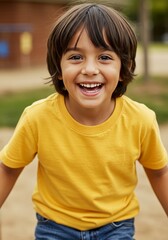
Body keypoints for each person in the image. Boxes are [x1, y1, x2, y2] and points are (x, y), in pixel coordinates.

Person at [0, 3, 168, 240]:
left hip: (116, 228)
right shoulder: (37, 117)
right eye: (76, 57)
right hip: (55, 228)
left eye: (105, 57)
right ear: (59, 66)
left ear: (125, 67)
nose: (90, 69)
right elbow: (8, 167)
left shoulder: (140, 120)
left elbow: (159, 172)